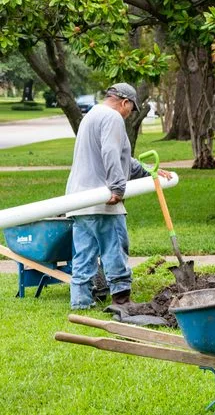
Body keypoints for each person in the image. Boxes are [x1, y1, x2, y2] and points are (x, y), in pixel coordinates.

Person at [65, 83, 168, 309]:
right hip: (103, 200)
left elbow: (123, 159)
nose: (130, 115)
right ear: (124, 102)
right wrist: (118, 188)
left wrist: (148, 170)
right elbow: (110, 153)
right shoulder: (113, 118)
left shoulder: (91, 116)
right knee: (115, 248)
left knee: (83, 254)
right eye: (131, 110)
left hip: (79, 200)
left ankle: (80, 302)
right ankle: (122, 300)